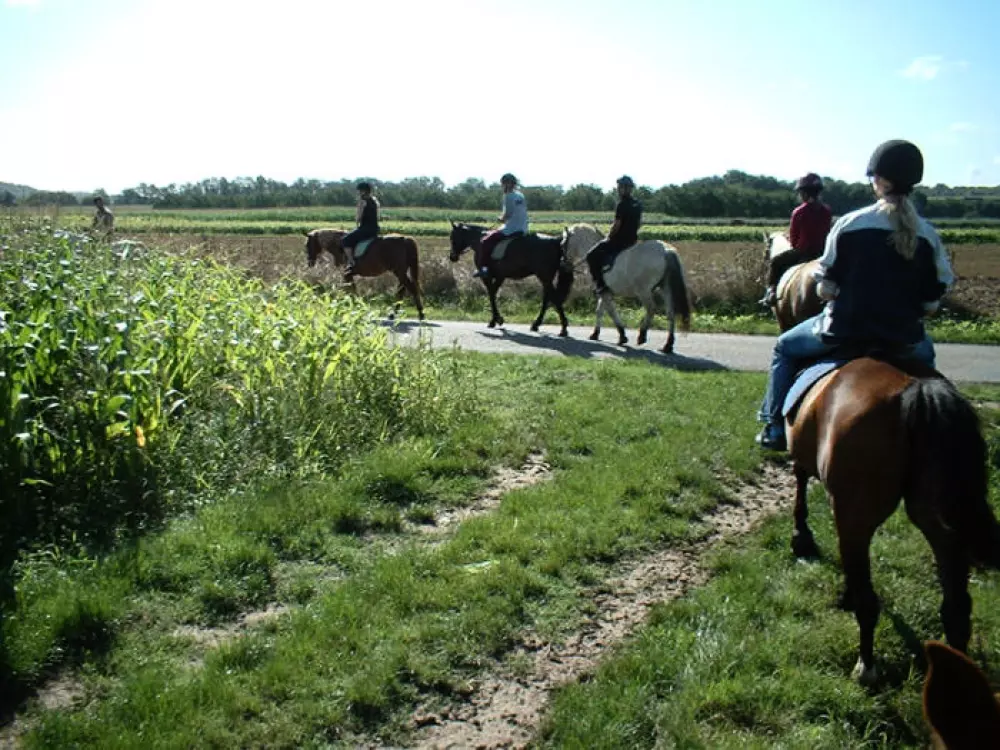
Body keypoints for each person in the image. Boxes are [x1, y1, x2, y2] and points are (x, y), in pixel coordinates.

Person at [756, 139, 954, 451]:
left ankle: (773, 425)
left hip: (843, 332)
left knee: (784, 349)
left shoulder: (851, 224)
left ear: (881, 181)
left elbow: (826, 284)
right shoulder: (928, 235)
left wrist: (831, 292)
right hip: (903, 338)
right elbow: (932, 299)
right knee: (927, 359)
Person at [759, 173, 832, 307]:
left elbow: (793, 240)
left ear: (804, 193)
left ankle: (771, 292)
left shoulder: (799, 212)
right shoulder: (826, 210)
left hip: (804, 252)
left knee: (776, 262)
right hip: (823, 252)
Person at [586, 175, 642, 294]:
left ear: (624, 188)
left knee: (591, 256)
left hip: (619, 242)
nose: (618, 189)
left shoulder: (621, 204)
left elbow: (617, 225)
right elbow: (639, 224)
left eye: (619, 187)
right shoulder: (637, 204)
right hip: (632, 241)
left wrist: (609, 236)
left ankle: (600, 285)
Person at [474, 173, 528, 278]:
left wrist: (500, 218)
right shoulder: (520, 195)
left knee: (485, 241)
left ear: (507, 184)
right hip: (523, 228)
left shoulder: (508, 196)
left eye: (503, 184)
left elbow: (507, 214)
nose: (503, 186)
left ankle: (484, 269)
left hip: (511, 229)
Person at [342, 182, 380, 279]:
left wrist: (357, 218)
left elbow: (358, 217)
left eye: (359, 191)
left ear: (363, 191)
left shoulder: (362, 201)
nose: (358, 193)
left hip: (365, 229)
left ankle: (351, 262)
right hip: (374, 229)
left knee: (345, 240)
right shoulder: (375, 201)